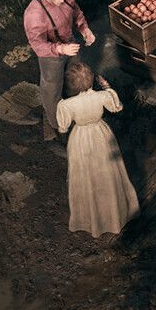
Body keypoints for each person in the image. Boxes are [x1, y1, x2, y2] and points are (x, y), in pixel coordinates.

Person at [56, 60, 138, 237]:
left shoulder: (66, 105)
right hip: (101, 134)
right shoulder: (101, 96)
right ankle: (114, 213)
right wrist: (107, 86)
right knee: (107, 171)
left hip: (80, 139)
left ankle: (89, 215)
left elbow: (63, 127)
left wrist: (65, 140)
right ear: (92, 79)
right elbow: (116, 106)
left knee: (84, 174)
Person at [24, 0, 95, 141]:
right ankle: (58, 125)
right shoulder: (34, 14)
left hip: (70, 43)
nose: (62, 0)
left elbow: (75, 10)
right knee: (52, 88)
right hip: (50, 53)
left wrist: (84, 29)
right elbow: (37, 44)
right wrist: (60, 49)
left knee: (76, 78)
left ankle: (76, 112)